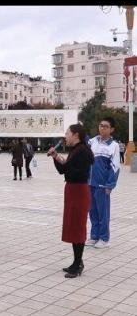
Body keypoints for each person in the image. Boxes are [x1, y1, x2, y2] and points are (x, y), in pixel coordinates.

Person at [49, 124, 94, 278]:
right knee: (74, 226)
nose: (66, 136)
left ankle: (78, 264)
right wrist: (56, 157)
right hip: (73, 190)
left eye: (67, 133)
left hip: (79, 191)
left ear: (76, 135)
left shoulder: (83, 151)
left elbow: (77, 173)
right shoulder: (75, 150)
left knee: (78, 227)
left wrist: (65, 165)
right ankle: (76, 262)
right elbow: (63, 170)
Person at [87, 117, 120, 249]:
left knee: (103, 213)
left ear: (112, 129)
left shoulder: (114, 146)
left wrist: (110, 185)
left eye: (106, 126)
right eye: (101, 125)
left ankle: (104, 239)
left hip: (102, 185)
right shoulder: (92, 141)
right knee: (92, 212)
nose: (102, 128)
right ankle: (94, 236)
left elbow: (115, 167)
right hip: (90, 184)